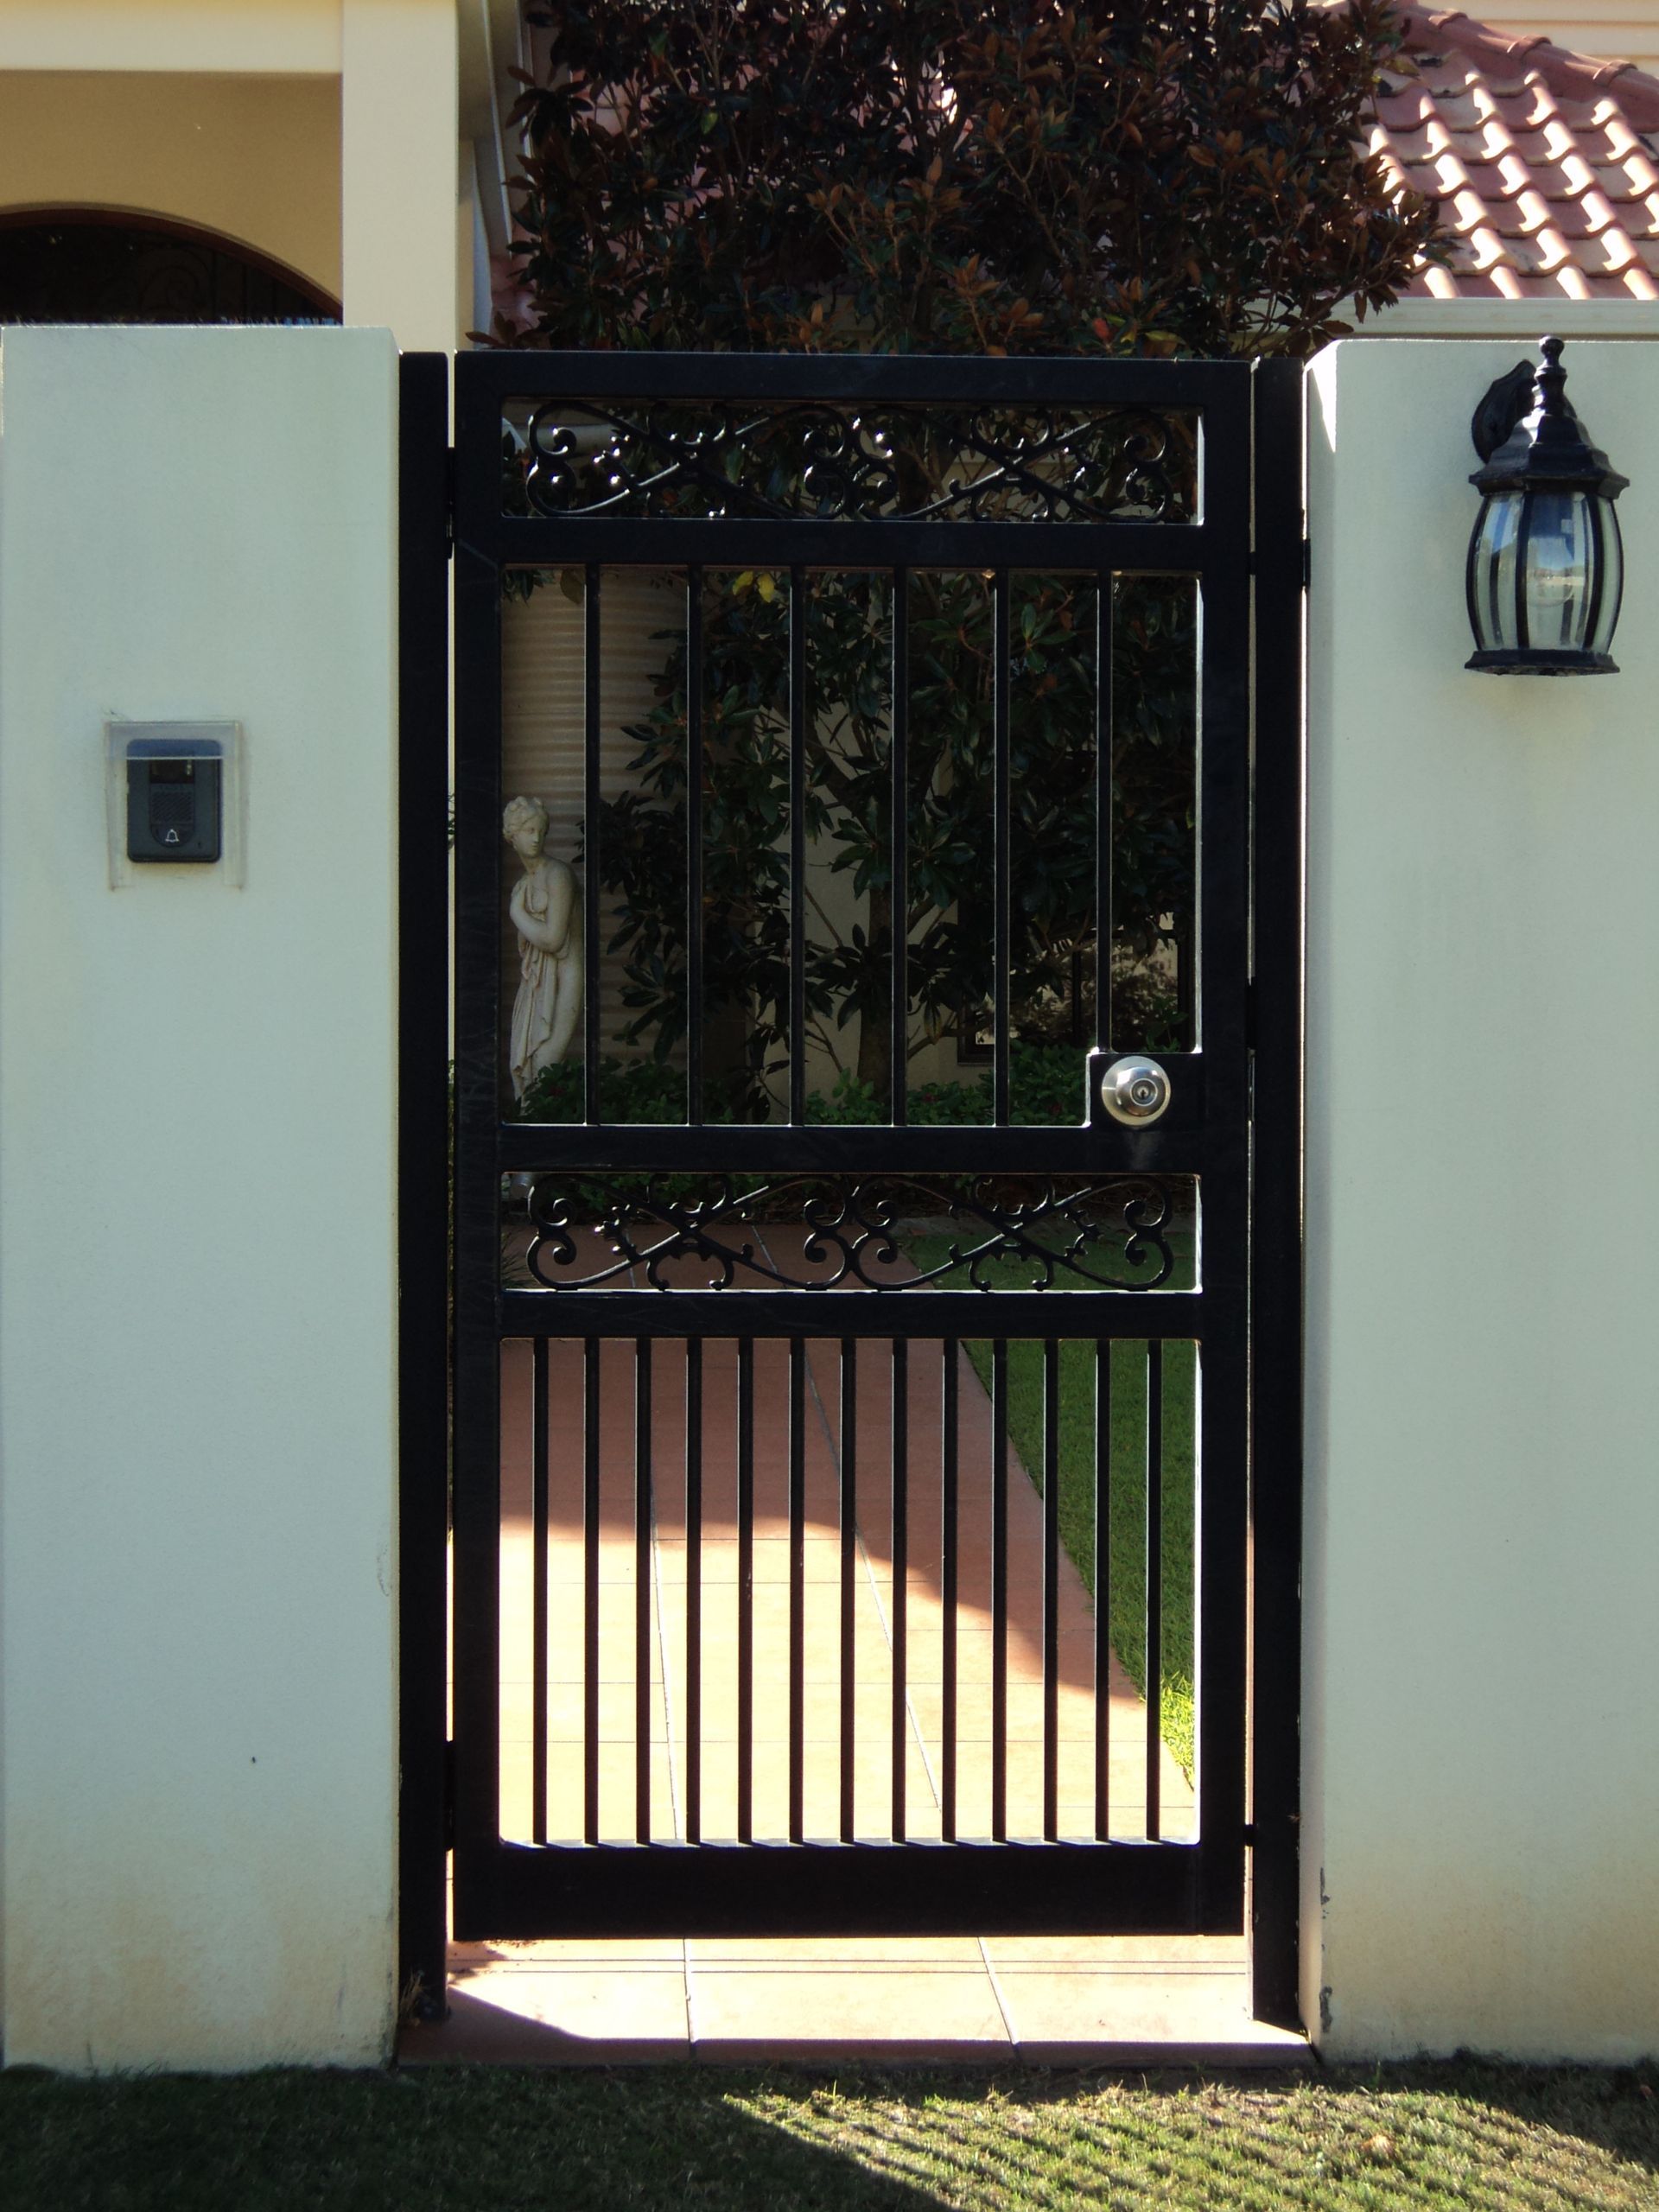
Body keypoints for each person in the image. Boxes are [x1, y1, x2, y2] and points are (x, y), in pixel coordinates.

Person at [502, 795, 583, 1099]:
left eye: (540, 831)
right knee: (525, 1072)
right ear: (513, 835)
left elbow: (553, 939)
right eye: (528, 831)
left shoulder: (558, 875)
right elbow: (528, 945)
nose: (537, 838)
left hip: (564, 979)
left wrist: (517, 913)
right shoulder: (523, 883)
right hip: (534, 984)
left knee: (545, 1064)